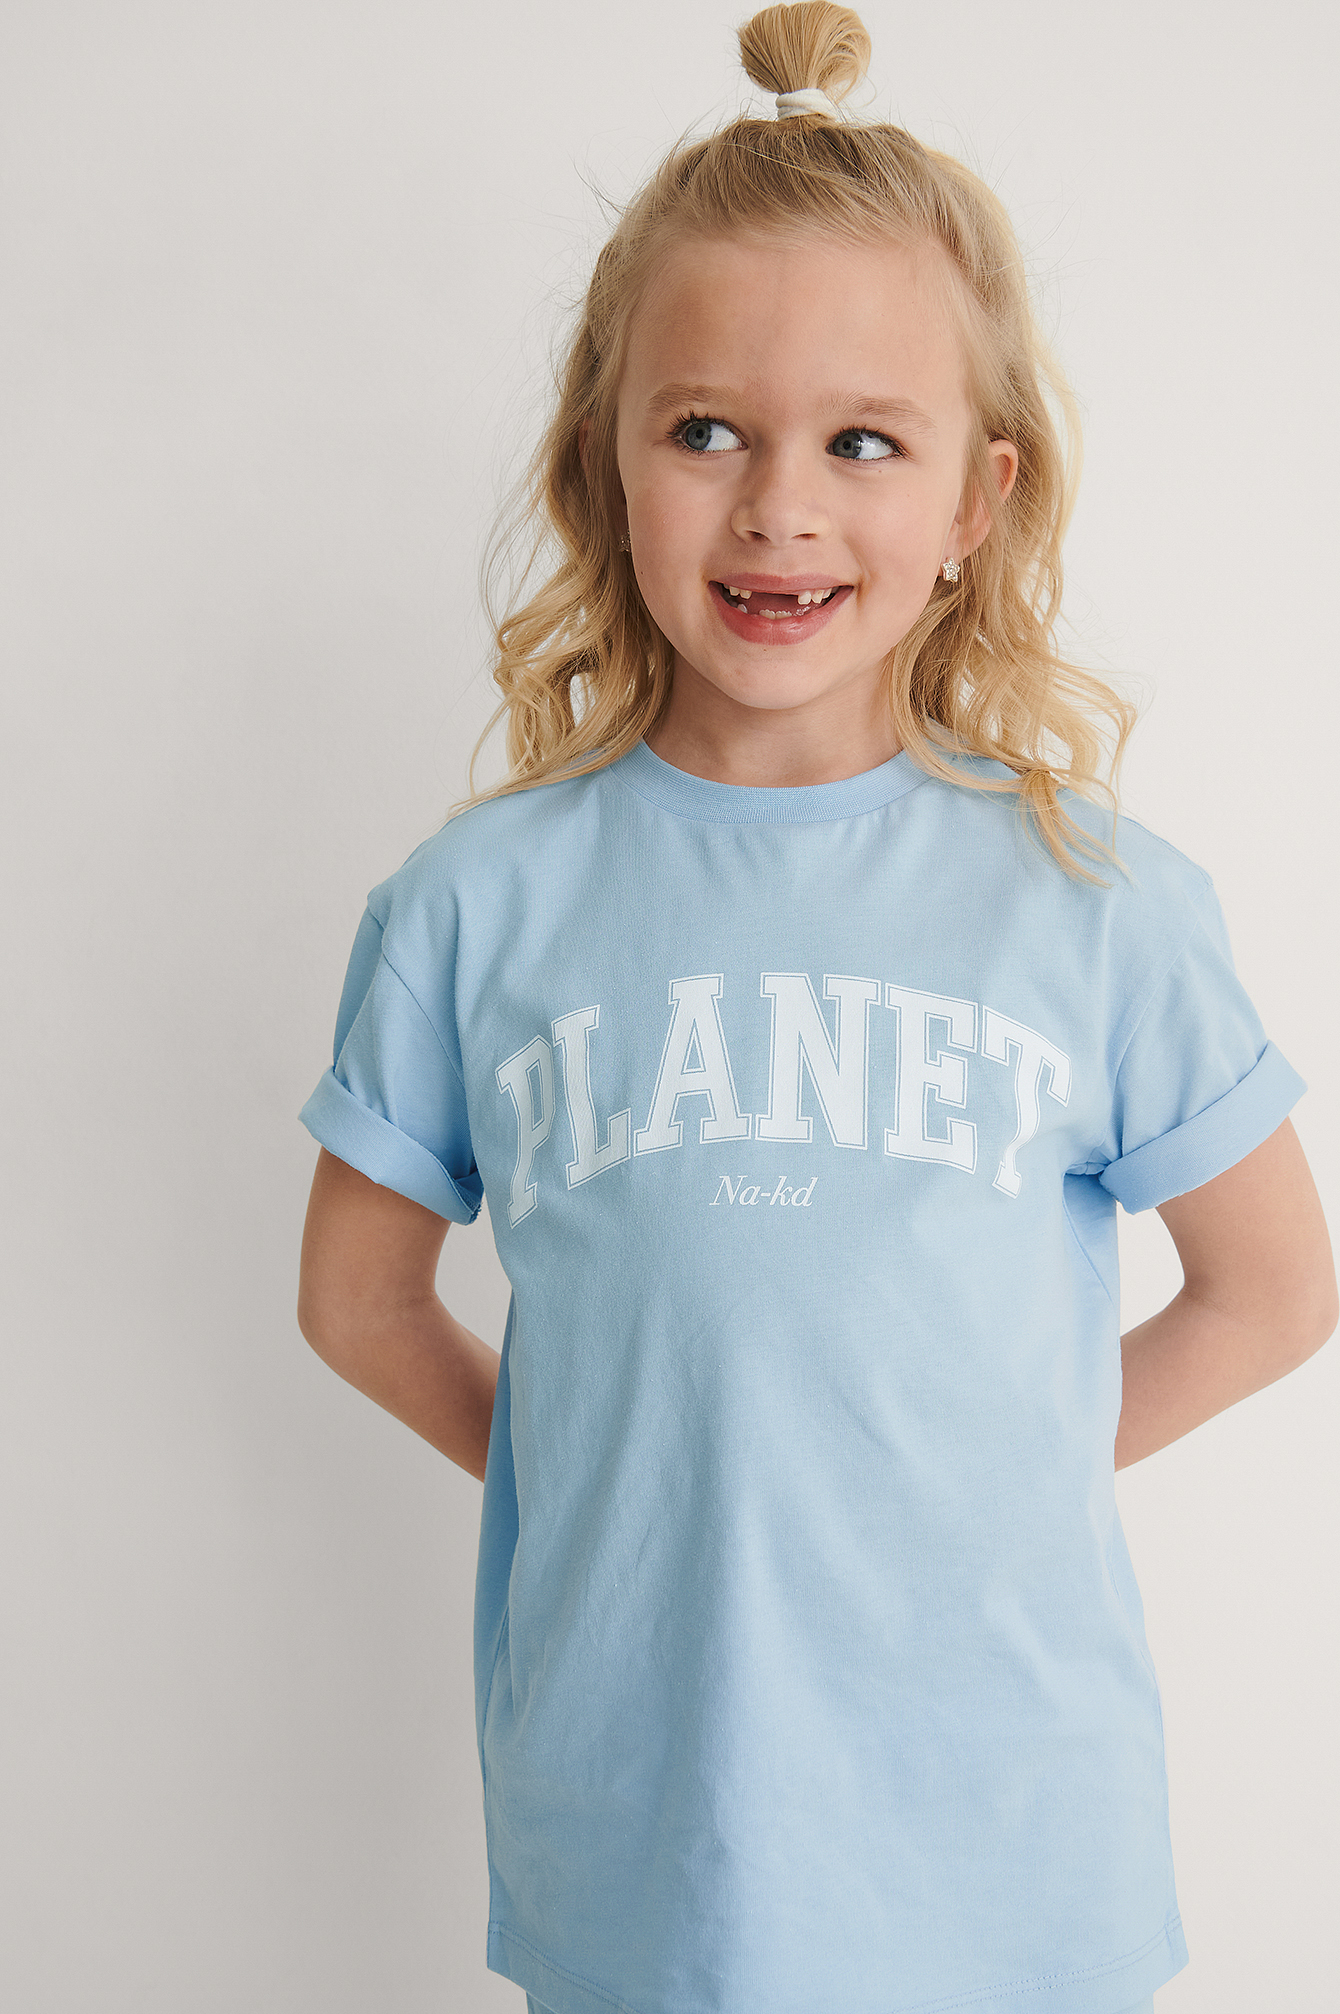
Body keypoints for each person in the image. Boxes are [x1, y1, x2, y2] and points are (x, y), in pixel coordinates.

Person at [295, 6, 1336, 2011]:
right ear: (603, 465)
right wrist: (612, 1494)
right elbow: (356, 1300)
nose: (778, 504)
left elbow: (1273, 1290)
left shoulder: (1097, 905)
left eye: (864, 441)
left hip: (1009, 1838)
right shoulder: (475, 905)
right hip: (645, 1844)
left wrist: (992, 1476)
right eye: (706, 430)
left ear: (975, 497)